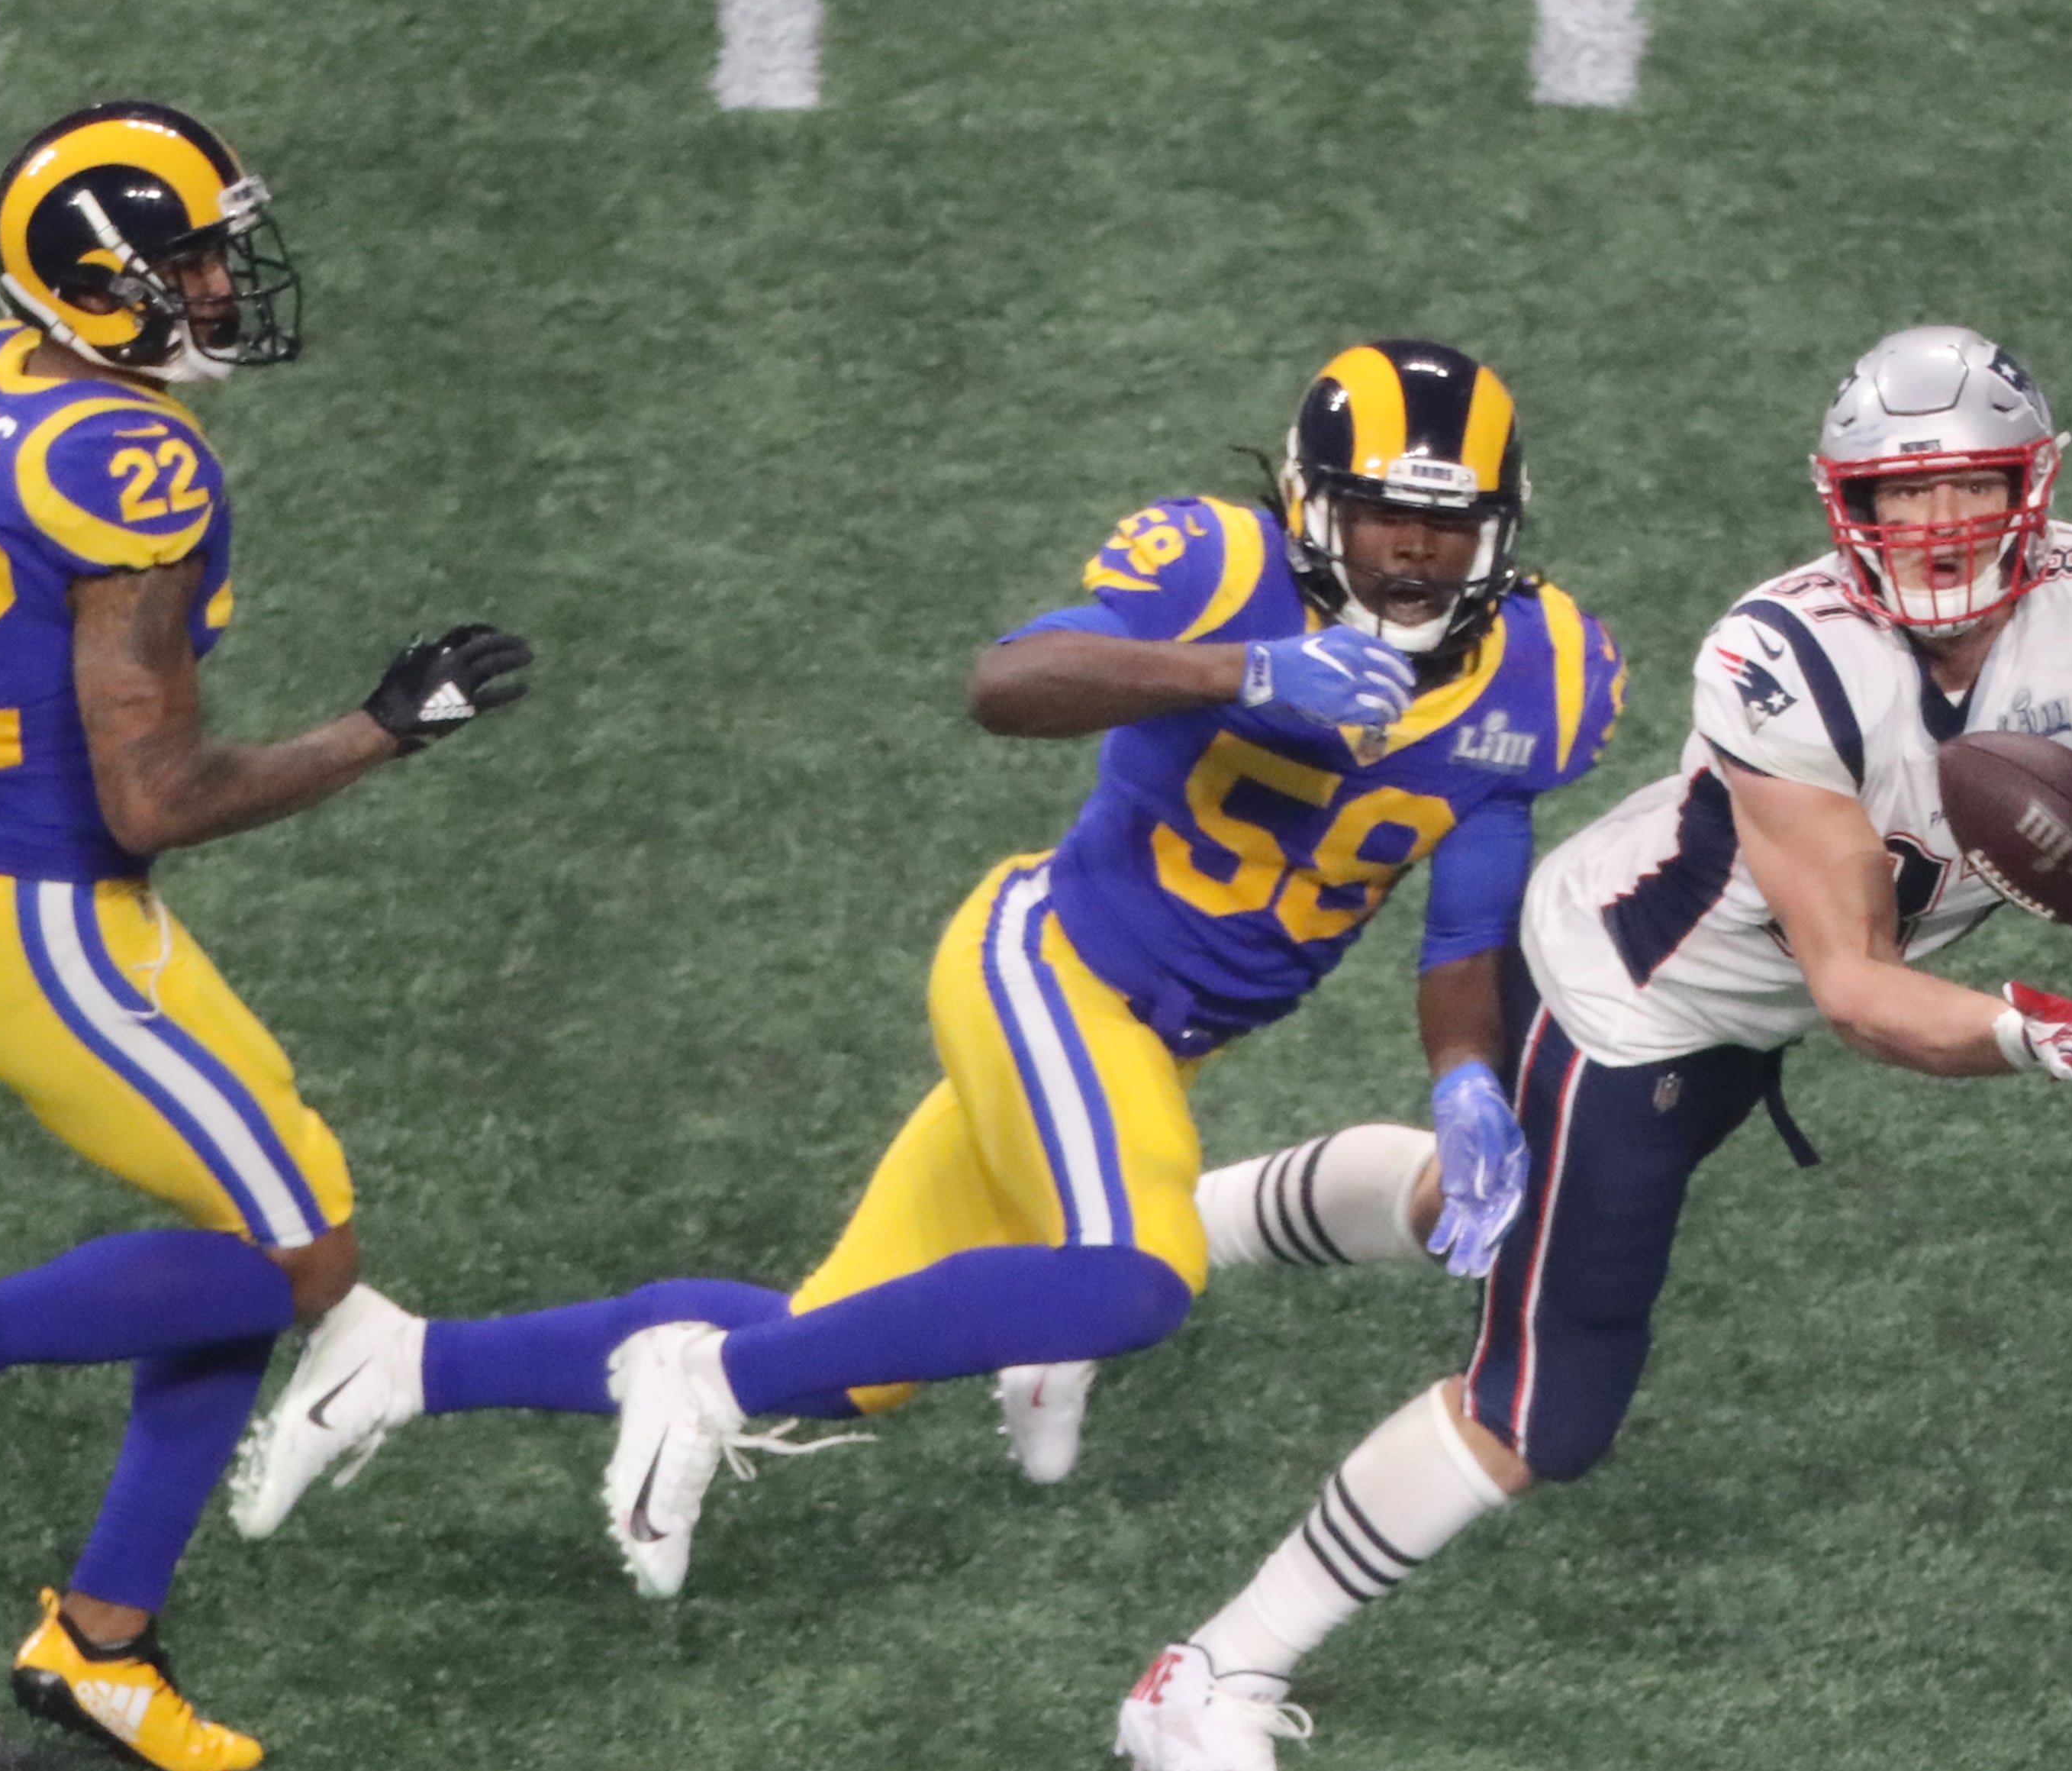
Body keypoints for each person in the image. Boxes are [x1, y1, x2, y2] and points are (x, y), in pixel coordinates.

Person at [1113, 324, 2072, 1771]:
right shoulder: (1785, 655)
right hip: (1630, 1008)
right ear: (1844, 505)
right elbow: (1859, 984)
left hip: (1731, 1009)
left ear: (2039, 483)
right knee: (1547, 1400)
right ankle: (1209, 1679)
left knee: (1471, 1204)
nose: (1938, 526)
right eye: (1903, 493)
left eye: (1970, 486)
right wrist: (2024, 1033)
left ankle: (1149, 1236)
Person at [225, 341, 1630, 1601]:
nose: (1415, 551)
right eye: (1384, 513)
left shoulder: (1545, 671)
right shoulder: (1218, 565)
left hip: (1164, 1042)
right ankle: (700, 1375)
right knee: (1138, 1277)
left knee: (847, 1353)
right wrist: (1244, 672)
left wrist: (1465, 1079)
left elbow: (1466, 925)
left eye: (1450, 522)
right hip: (1054, 973)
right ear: (1314, 505)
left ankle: (401, 1361)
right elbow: (1006, 683)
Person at [0, 101, 530, 1771]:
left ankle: (102, 1640)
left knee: (270, 1217)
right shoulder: (136, 466)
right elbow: (157, 796)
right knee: (302, 1260)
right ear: (95, 282)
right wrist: (387, 728)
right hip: (46, 925)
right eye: (181, 261)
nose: (214, 285)